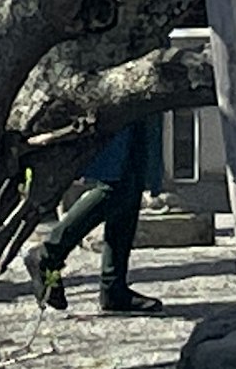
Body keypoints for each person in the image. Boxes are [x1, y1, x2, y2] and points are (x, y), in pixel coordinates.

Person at [23, 114, 166, 315]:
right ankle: (48, 254)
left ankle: (114, 287)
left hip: (140, 113)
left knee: (131, 183)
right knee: (117, 184)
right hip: (123, 106)